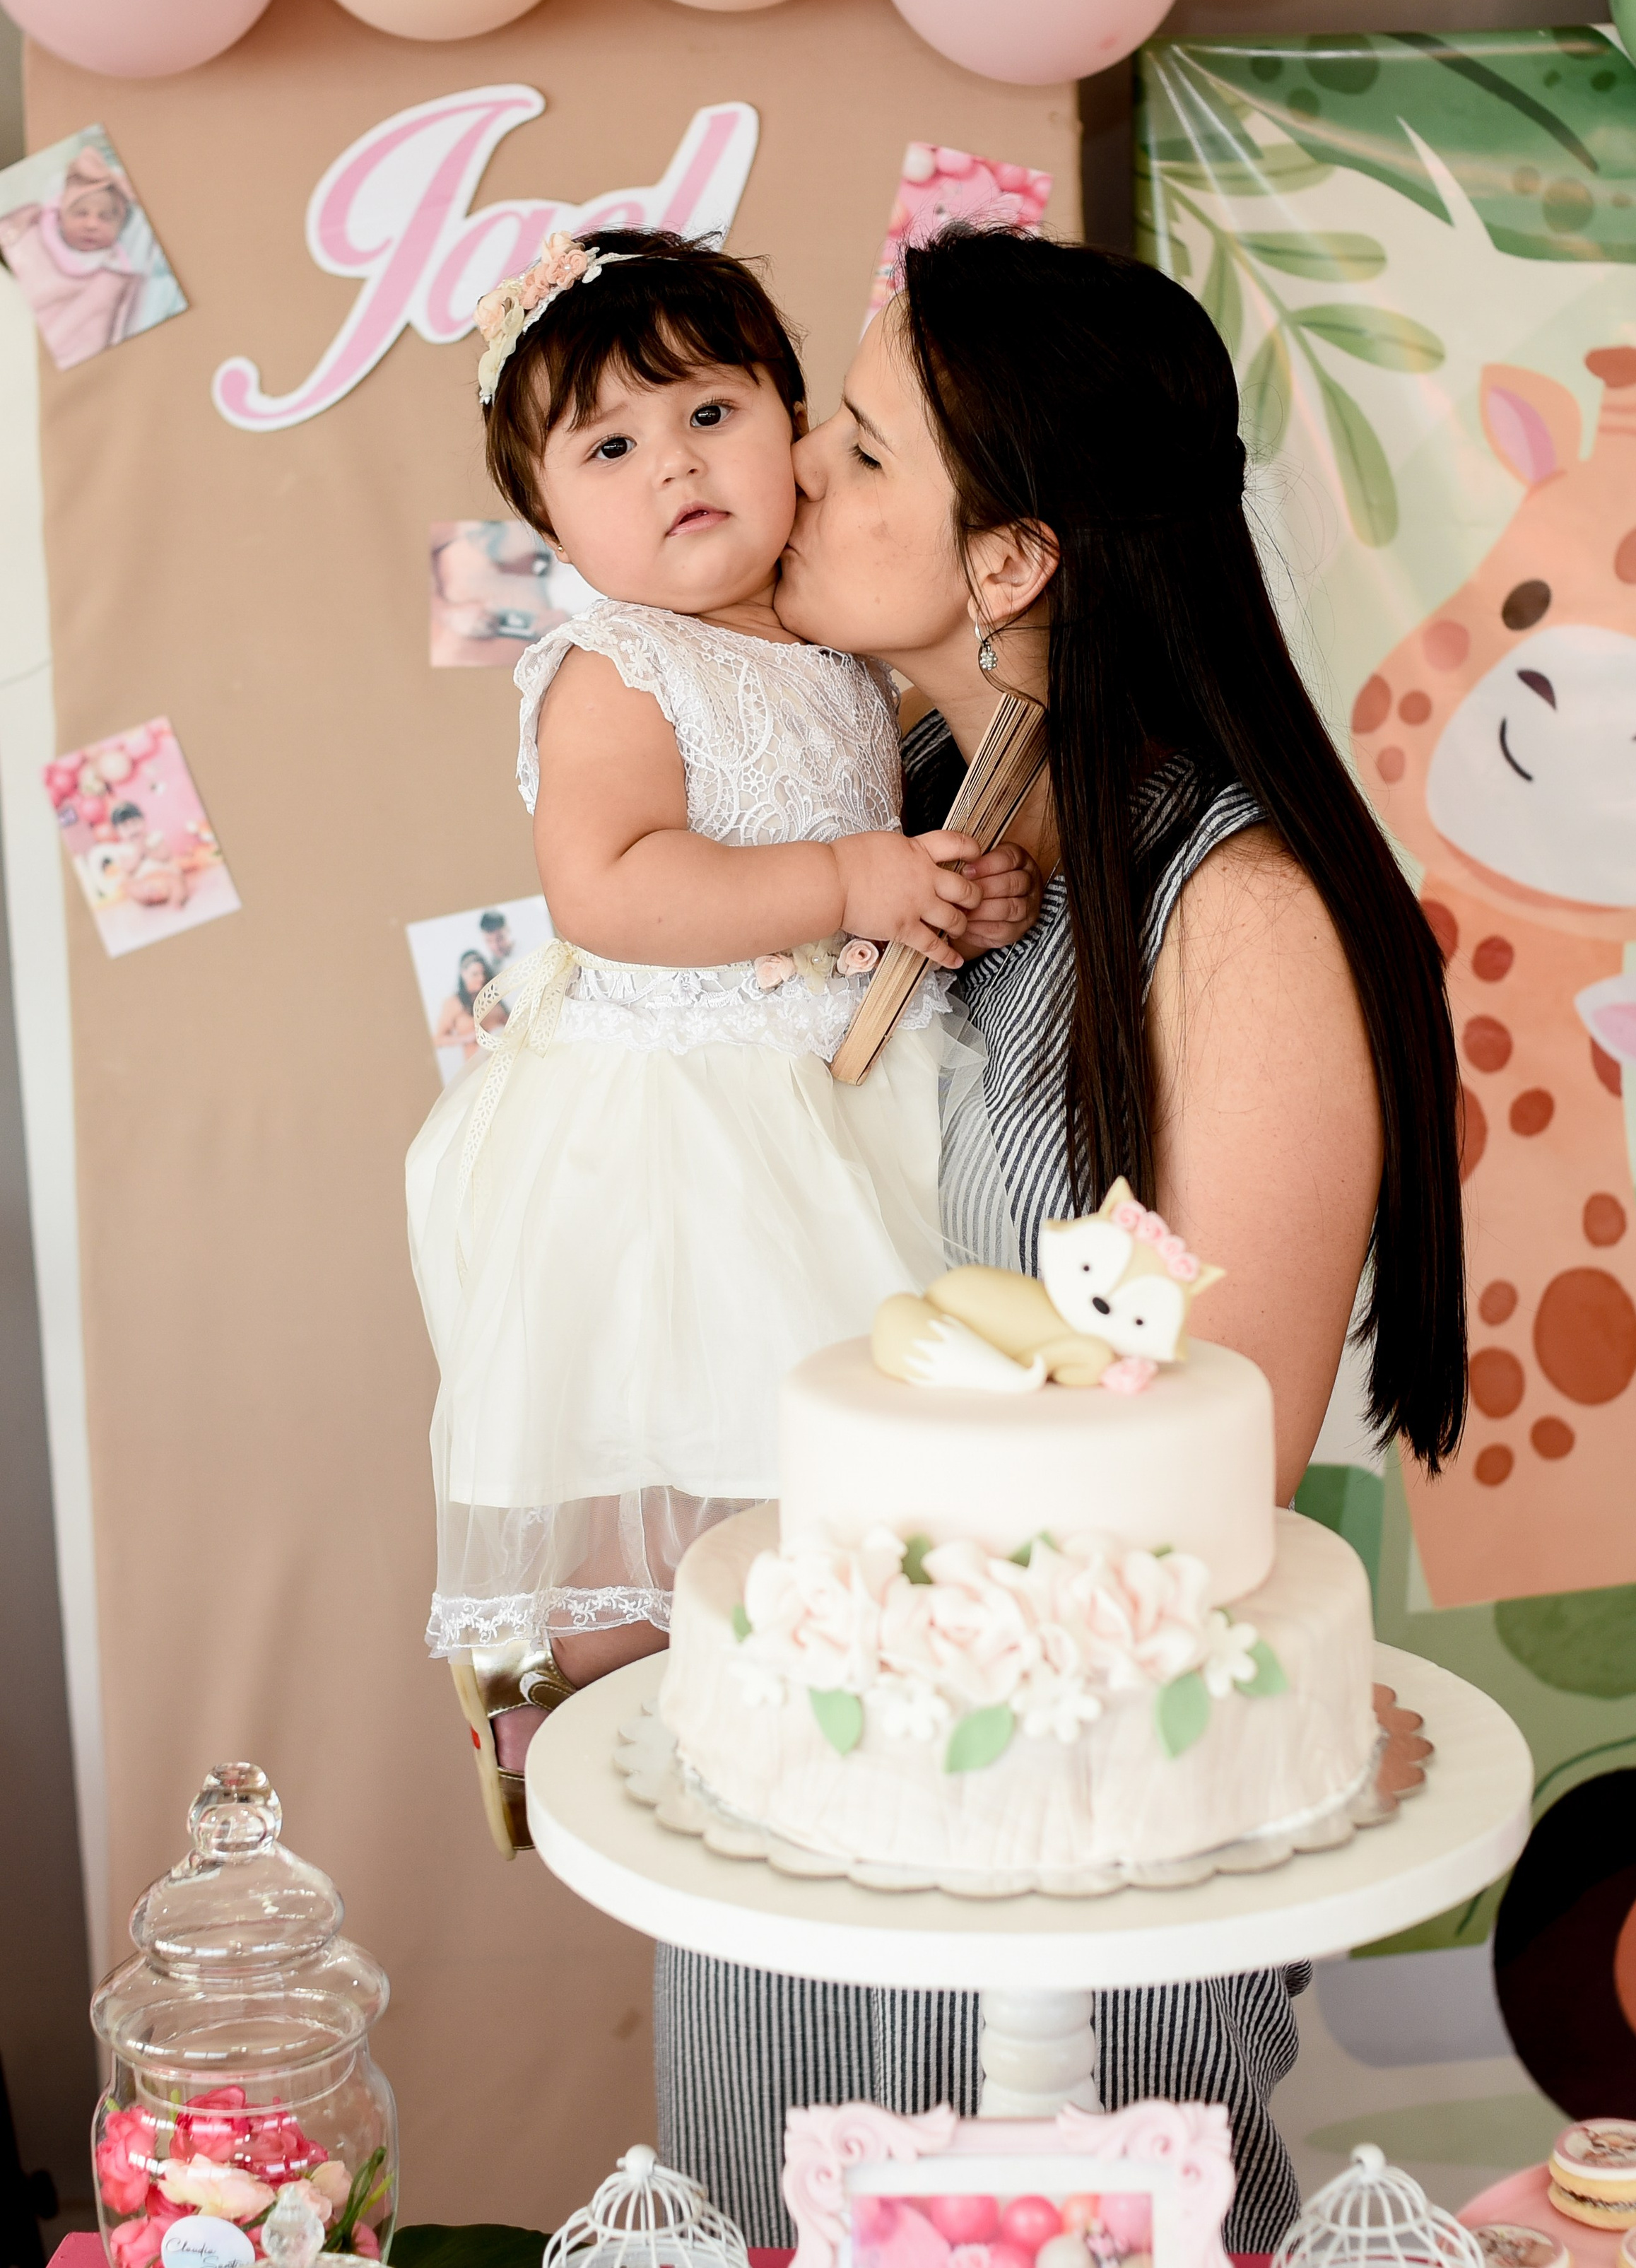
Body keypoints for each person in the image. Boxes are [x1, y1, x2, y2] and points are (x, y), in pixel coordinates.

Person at [654, 227, 1467, 2250]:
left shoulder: (1231, 907)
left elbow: (1215, 1472)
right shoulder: (899, 822)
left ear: (1009, 558)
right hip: (814, 1794)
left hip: (1074, 1856)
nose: (788, 483)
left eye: (848, 450)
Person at [405, 227, 1036, 1848]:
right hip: (688, 1118)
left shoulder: (823, 640)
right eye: (609, 445)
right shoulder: (613, 665)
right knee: (750, 1481)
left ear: (790, 423)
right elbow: (611, 887)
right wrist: (849, 877)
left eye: (708, 411)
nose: (673, 463)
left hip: (833, 1086)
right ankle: (573, 1693)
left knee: (846, 1490)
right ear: (549, 515)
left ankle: (793, 1732)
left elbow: (854, 891)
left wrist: (923, 900)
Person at [0, 143, 143, 370]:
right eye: (81, 213)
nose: (91, 224)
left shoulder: (117, 277)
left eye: (105, 217)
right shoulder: (33, 238)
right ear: (61, 215)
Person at [433, 951, 505, 1062]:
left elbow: (508, 1021)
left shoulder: (491, 996)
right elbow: (438, 1040)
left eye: (483, 973)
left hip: (503, 1058)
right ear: (464, 974)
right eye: (475, 974)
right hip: (478, 1066)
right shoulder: (453, 1003)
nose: (481, 978)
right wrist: (468, 1038)